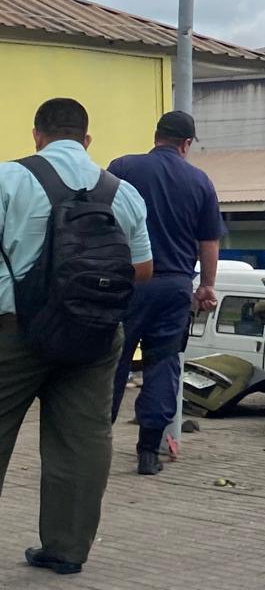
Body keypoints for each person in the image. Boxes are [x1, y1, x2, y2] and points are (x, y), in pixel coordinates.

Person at [0, 98, 152, 575]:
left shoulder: (8, 178)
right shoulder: (122, 191)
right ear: (87, 140)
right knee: (84, 438)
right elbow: (143, 270)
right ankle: (66, 550)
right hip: (93, 335)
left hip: (13, 333)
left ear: (37, 135)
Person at [110, 111, 223, 475]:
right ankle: (147, 453)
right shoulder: (200, 181)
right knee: (162, 365)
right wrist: (206, 285)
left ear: (156, 135)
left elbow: (101, 218)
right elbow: (209, 240)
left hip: (126, 283)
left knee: (111, 361)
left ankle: (94, 443)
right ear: (187, 144)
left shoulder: (123, 167)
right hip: (174, 287)